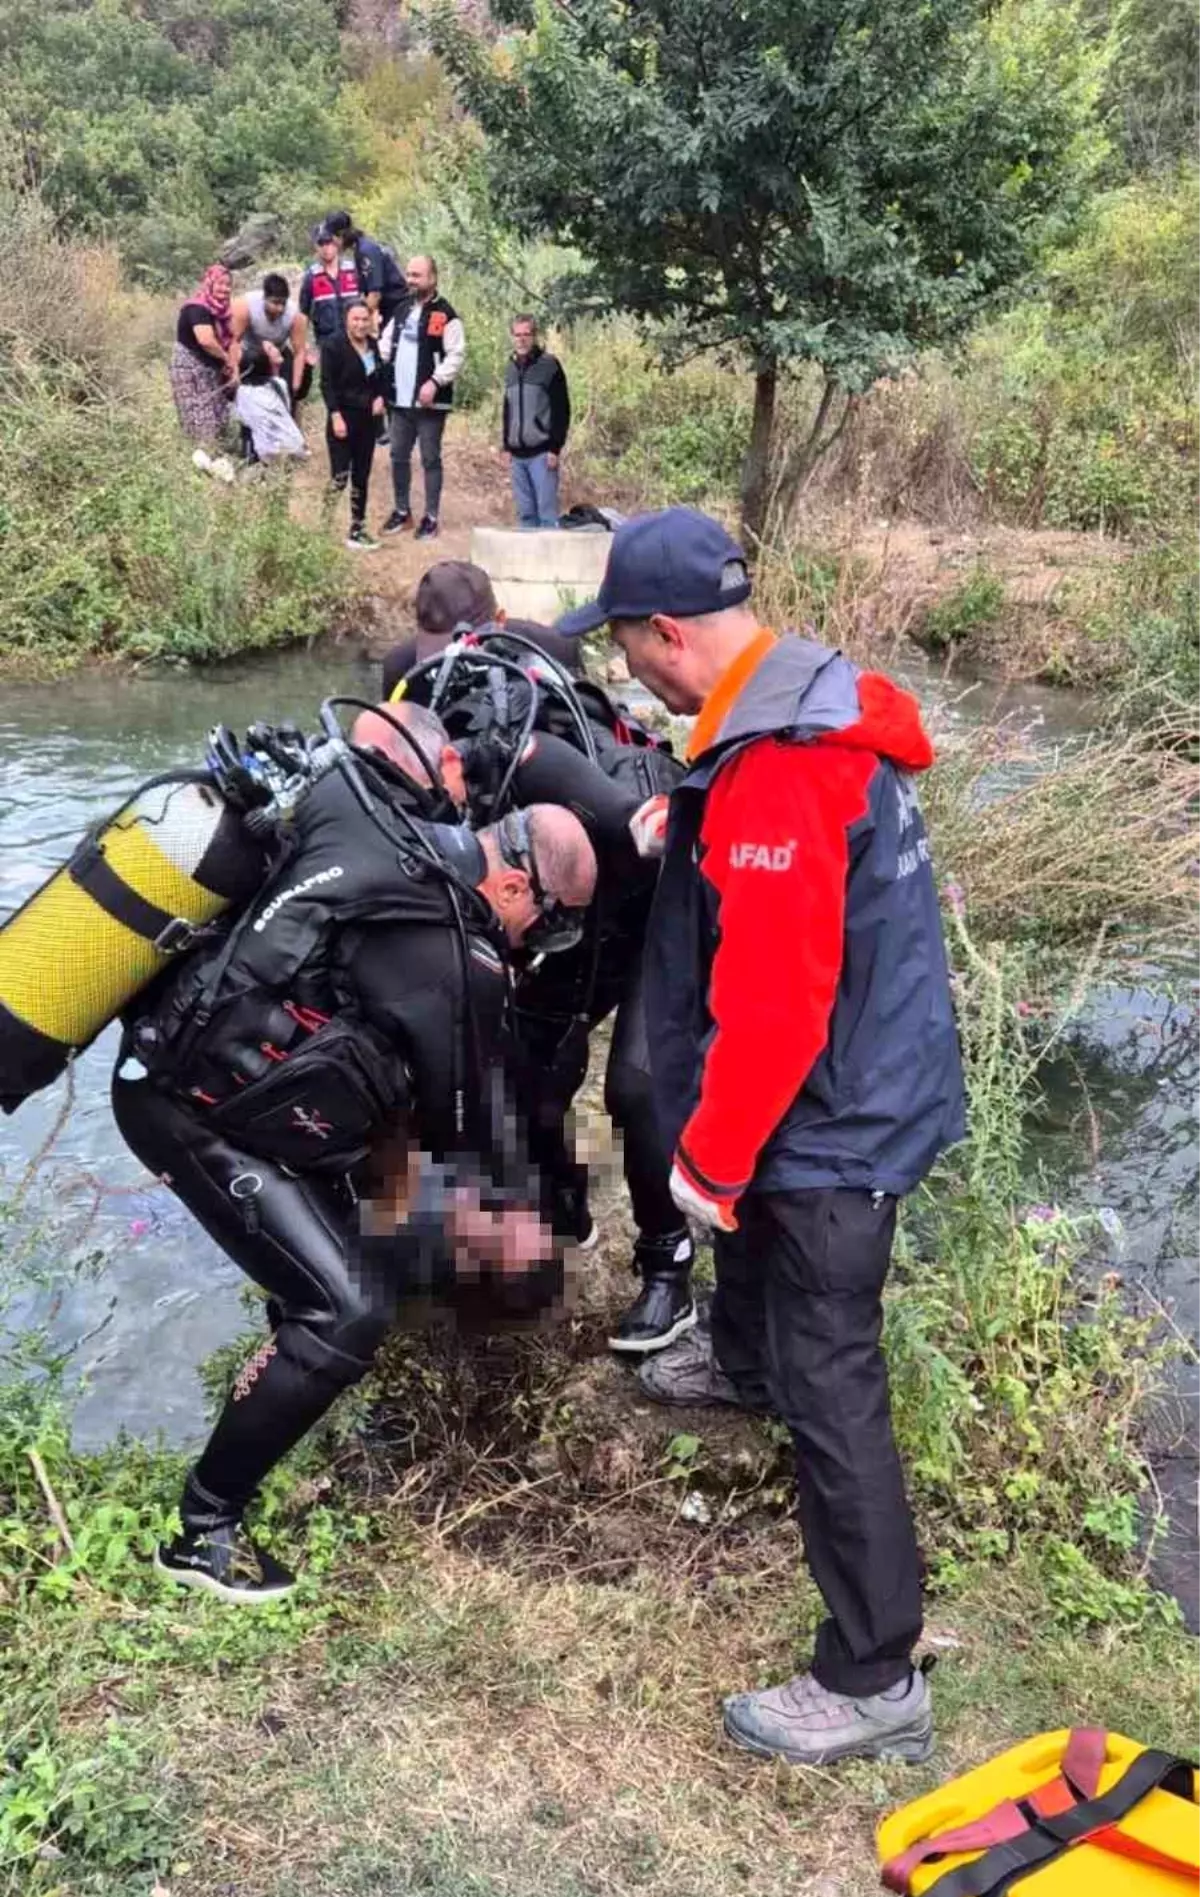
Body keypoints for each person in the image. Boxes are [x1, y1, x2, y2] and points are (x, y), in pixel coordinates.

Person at [556, 506, 967, 1767]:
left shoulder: (783, 762)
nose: (622, 666)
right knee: (752, 1258)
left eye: (623, 644)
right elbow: (794, 862)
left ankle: (872, 1674)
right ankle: (735, 1367)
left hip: (836, 1120)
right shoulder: (801, 702)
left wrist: (710, 1157)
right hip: (855, 1082)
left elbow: (780, 1005)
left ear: (669, 632)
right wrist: (703, 824)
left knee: (834, 1376)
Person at [115, 764, 598, 1603]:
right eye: (542, 928)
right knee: (347, 1308)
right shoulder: (458, 955)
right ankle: (202, 1529)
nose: (531, 947)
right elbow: (464, 1131)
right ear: (513, 882)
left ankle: (290, 1365)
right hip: (182, 1107)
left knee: (372, 1243)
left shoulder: (387, 829)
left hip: (222, 1081)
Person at [384, 673, 696, 1354]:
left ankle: (667, 1265)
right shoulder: (409, 816)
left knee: (637, 1086)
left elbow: (646, 832)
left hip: (657, 885)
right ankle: (564, 1206)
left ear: (451, 765)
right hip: (564, 897)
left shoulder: (528, 762)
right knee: (528, 1066)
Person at [381, 561, 582, 698]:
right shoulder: (401, 668)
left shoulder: (551, 652)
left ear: (500, 621)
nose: (450, 665)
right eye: (438, 655)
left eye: (466, 649)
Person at [378, 257, 466, 540]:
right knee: (398, 456)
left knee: (430, 458)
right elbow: (384, 347)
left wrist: (435, 381)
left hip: (430, 404)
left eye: (417, 275)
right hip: (399, 401)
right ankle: (402, 511)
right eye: (409, 274)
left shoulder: (446, 314)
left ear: (433, 278)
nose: (411, 280)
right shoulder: (401, 310)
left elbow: (456, 354)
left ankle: (431, 517)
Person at [320, 300, 386, 550]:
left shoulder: (373, 345)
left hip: (367, 420)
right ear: (347, 320)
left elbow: (379, 376)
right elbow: (327, 384)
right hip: (343, 417)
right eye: (355, 319)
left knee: (362, 475)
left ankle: (357, 528)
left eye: (364, 319)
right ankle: (324, 527)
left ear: (370, 321)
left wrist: (380, 397)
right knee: (339, 475)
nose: (360, 324)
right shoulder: (334, 346)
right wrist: (335, 415)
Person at [503, 315, 570, 529]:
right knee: (525, 516)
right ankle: (527, 562)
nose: (522, 340)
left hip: (542, 454)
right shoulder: (510, 367)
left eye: (526, 334)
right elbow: (508, 408)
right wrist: (506, 445)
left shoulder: (549, 366)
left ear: (534, 336)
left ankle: (551, 562)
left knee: (547, 516)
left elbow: (562, 409)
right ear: (512, 337)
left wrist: (555, 448)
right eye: (518, 335)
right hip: (517, 456)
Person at [170, 263, 238, 443]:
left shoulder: (224, 312)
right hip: (190, 369)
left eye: (228, 285)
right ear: (209, 283)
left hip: (211, 370)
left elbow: (232, 339)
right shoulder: (196, 308)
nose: (225, 289)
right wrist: (226, 360)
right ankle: (202, 459)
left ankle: (218, 455)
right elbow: (206, 340)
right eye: (220, 283)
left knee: (219, 416)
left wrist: (233, 367)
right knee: (198, 417)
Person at [232, 272, 313, 408]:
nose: (280, 308)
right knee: (254, 396)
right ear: (265, 297)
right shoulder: (245, 305)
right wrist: (234, 373)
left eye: (283, 304)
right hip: (251, 352)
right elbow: (233, 342)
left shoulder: (295, 315)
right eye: (275, 303)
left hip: (279, 351)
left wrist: (295, 386)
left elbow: (300, 352)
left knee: (286, 391)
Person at [320, 209, 406, 326]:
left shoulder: (366, 251)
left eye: (332, 239)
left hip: (397, 309)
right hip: (389, 310)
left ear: (340, 236)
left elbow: (374, 295)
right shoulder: (359, 250)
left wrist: (356, 322)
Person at [299, 225, 367, 354]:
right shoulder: (311, 277)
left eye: (329, 242)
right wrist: (304, 345)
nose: (326, 247)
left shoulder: (353, 270)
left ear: (336, 243)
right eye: (321, 243)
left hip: (356, 339)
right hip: (327, 343)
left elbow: (369, 301)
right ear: (316, 246)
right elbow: (303, 314)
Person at [234, 352, 308, 465]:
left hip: (269, 452)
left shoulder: (243, 392)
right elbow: (286, 408)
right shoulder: (280, 383)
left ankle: (250, 458)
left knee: (247, 426)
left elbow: (243, 419)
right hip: (295, 445)